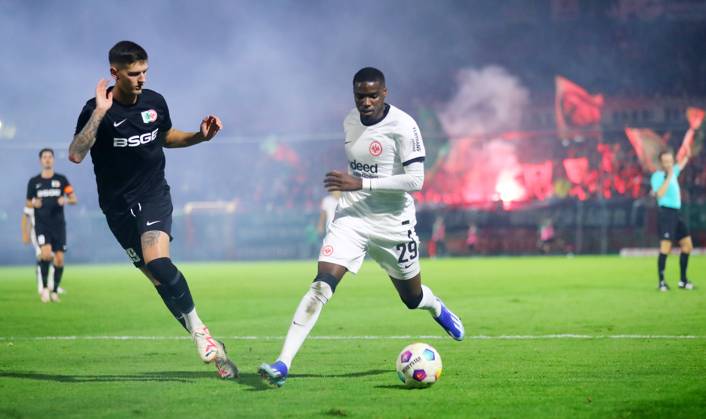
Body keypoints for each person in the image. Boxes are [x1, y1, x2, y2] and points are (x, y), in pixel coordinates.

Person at [259, 67, 464, 387]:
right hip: (352, 217)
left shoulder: (404, 125)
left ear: (385, 94)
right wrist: (355, 187)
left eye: (372, 95)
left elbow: (416, 180)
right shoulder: (349, 121)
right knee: (321, 285)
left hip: (394, 223)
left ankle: (436, 306)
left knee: (411, 298)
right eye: (360, 96)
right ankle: (283, 363)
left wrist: (360, 182)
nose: (365, 102)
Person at [68, 40, 237, 378]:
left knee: (158, 261)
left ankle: (200, 332)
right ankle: (210, 344)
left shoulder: (155, 102)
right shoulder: (95, 109)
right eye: (133, 74)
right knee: (158, 278)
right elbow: (75, 153)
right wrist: (100, 114)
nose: (141, 78)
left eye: (144, 71)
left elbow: (165, 137)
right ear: (115, 73)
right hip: (117, 208)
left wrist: (199, 137)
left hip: (153, 194)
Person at [23, 148, 76, 303]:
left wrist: (65, 200)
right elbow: (27, 203)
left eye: (50, 157)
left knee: (59, 259)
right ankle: (45, 289)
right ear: (40, 160)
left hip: (58, 226)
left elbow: (73, 198)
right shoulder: (34, 182)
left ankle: (54, 291)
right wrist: (33, 203)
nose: (47, 159)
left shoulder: (61, 180)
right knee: (46, 254)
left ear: (53, 160)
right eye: (44, 157)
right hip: (42, 225)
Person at [650, 148, 694, 291]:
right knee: (666, 248)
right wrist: (668, 177)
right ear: (661, 163)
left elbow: (681, 164)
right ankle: (661, 282)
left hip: (677, 213)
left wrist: (687, 154)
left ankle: (683, 281)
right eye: (666, 161)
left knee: (687, 245)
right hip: (666, 214)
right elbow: (660, 194)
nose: (669, 164)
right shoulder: (658, 176)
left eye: (670, 161)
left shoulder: (674, 170)